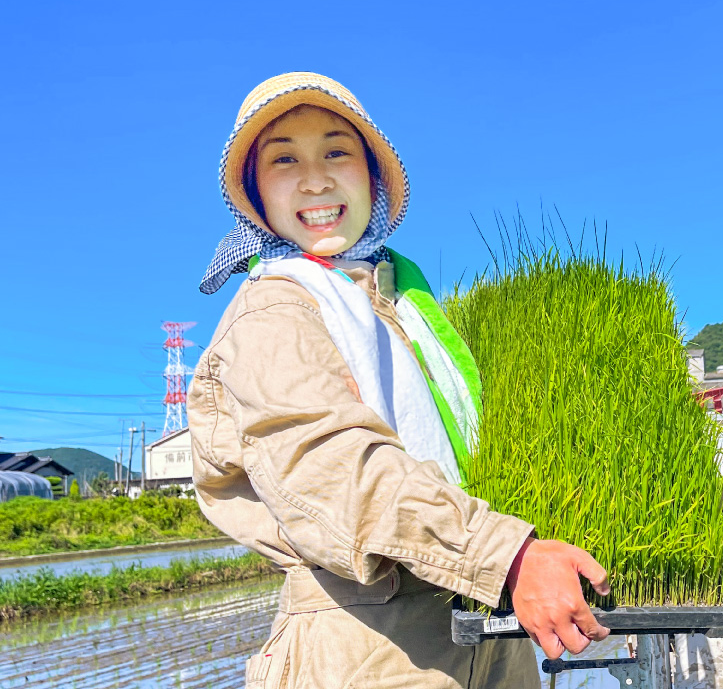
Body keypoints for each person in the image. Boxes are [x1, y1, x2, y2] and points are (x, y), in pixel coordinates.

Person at [188, 72, 610, 688]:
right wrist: (510, 556)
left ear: (373, 178)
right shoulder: (275, 308)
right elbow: (332, 472)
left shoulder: (396, 303)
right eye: (284, 160)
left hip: (479, 612)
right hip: (369, 638)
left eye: (337, 150)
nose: (315, 178)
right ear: (254, 195)